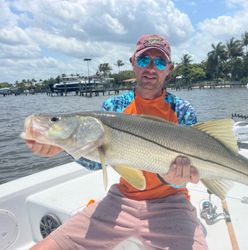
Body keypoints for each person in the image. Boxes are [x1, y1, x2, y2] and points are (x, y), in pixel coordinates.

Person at [27, 34, 208, 250]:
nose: (151, 68)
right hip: (122, 198)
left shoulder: (182, 110)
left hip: (172, 202)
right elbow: (97, 162)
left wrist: (174, 180)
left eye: (159, 62)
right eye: (143, 60)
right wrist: (64, 147)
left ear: (169, 68)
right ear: (133, 63)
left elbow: (182, 179)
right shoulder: (113, 106)